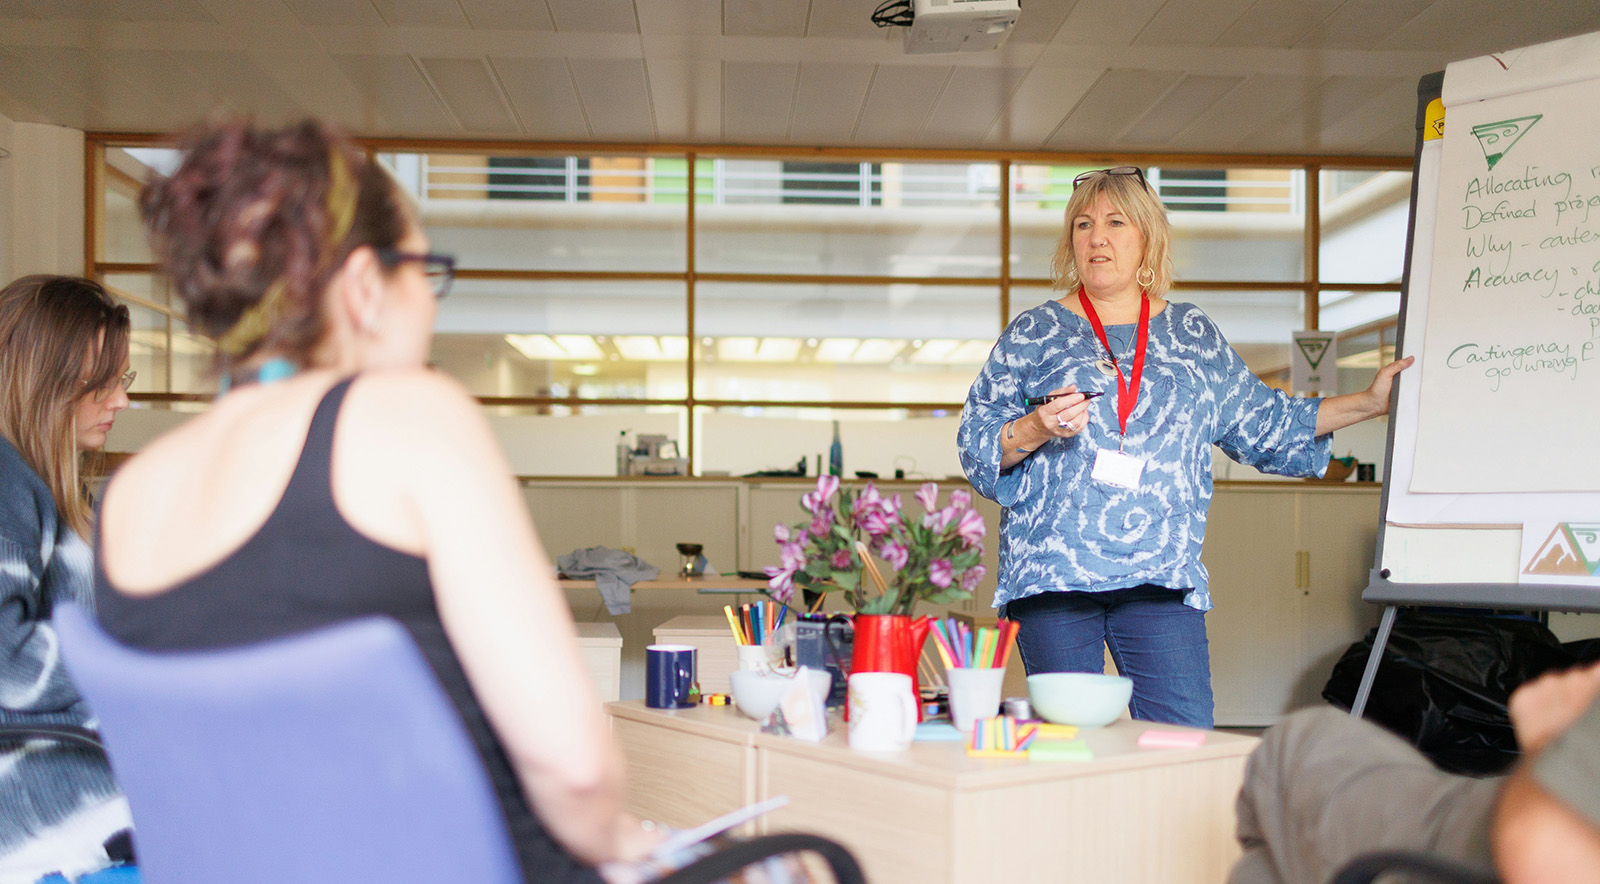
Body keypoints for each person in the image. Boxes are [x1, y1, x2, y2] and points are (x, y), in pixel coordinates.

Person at [95, 120, 657, 883]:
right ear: (365, 286)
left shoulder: (131, 495)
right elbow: (576, 771)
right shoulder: (407, 413)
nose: (431, 304)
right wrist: (625, 841)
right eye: (424, 273)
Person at [957, 166, 1411, 728]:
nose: (1096, 237)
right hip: (1055, 573)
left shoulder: (1192, 335)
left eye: (1115, 222)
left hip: (1160, 573)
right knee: (1070, 743)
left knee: (1181, 731)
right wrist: (1035, 427)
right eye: (1082, 224)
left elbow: (1264, 421)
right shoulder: (1033, 334)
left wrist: (1368, 402)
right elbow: (976, 441)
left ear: (1147, 236)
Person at [1229, 660, 1600, 884]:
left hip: (1483, 846)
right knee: (1269, 864)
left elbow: (1541, 849)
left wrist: (1553, 735)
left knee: (1297, 743)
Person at [0, 275, 134, 881]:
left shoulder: (59, 493)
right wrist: (131, 668)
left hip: (91, 785)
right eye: (100, 384)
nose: (121, 401)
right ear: (42, 384)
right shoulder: (6, 480)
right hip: (47, 814)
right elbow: (6, 661)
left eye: (121, 381)